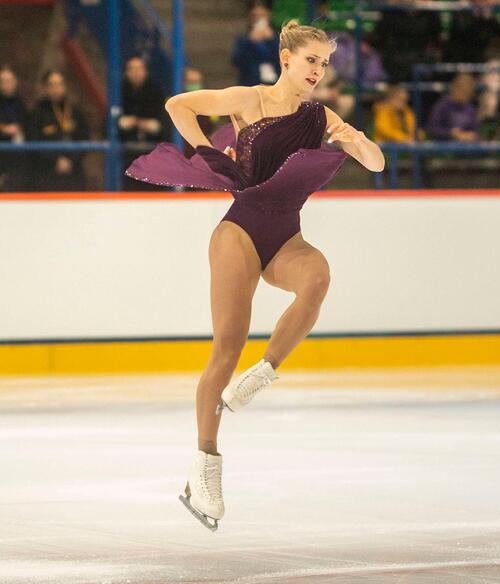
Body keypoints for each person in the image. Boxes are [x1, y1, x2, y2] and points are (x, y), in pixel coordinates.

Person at [125, 21, 384, 531]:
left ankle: (262, 373)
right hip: (241, 230)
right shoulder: (248, 99)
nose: (318, 71)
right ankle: (204, 465)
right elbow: (178, 104)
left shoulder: (320, 115)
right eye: (311, 60)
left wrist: (352, 136)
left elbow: (375, 164)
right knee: (227, 346)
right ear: (286, 58)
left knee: (317, 278)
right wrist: (205, 150)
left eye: (325, 63)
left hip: (286, 234)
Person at [25, 70, 90, 191]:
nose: (56, 88)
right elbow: (33, 141)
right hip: (46, 175)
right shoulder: (37, 113)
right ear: (45, 87)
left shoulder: (75, 111)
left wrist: (71, 160)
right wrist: (56, 160)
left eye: (59, 84)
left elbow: (85, 139)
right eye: (52, 84)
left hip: (74, 173)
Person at [120, 57, 169, 190]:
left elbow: (164, 125)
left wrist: (142, 124)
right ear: (126, 72)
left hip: (153, 155)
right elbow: (111, 125)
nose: (136, 73)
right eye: (132, 69)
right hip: (127, 157)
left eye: (139, 69)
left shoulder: (156, 92)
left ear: (145, 71)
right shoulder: (119, 93)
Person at [231, 1, 281, 86]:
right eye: (255, 16)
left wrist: (272, 40)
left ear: (269, 15)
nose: (258, 19)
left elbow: (283, 58)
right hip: (251, 83)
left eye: (262, 16)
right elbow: (236, 61)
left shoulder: (278, 37)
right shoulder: (242, 40)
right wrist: (249, 42)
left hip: (275, 83)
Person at [427, 73, 478, 142]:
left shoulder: (470, 109)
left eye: (466, 92)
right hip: (443, 147)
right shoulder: (441, 106)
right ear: (454, 88)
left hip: (465, 148)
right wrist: (449, 133)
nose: (463, 94)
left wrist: (470, 135)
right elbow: (433, 129)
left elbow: (475, 131)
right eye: (461, 90)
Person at [0, 66, 27, 191]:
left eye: (10, 80)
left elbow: (27, 124)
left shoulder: (20, 103)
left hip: (17, 160)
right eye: (3, 81)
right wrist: (4, 130)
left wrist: (20, 129)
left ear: (15, 82)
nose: (7, 84)